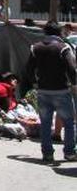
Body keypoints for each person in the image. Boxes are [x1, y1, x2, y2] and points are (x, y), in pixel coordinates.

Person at [25, 20, 77, 163]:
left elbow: (29, 69)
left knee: (46, 124)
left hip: (43, 91)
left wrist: (35, 84)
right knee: (69, 122)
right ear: (59, 32)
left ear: (45, 32)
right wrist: (74, 84)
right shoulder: (63, 47)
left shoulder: (35, 48)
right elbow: (72, 69)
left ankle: (47, 154)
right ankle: (70, 153)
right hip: (61, 91)